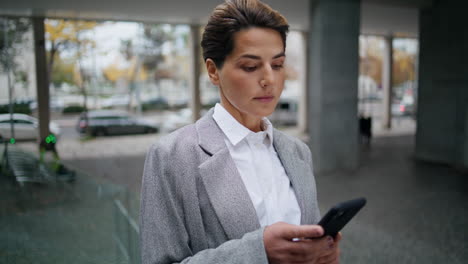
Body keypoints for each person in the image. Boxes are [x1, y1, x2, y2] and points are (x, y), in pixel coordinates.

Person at [140, 0, 341, 263]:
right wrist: (257, 253)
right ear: (213, 71)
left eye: (278, 64)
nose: (269, 79)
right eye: (250, 66)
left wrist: (321, 255)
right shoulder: (172, 156)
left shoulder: (298, 152)